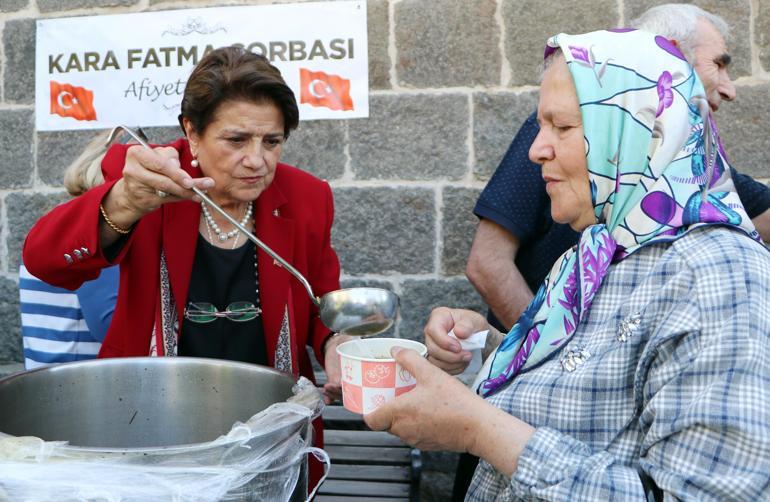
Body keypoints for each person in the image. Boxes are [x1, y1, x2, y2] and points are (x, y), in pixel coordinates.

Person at [365, 28, 770, 501]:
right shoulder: (598, 247)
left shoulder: (717, 278)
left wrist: (478, 430)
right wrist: (483, 346)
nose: (537, 149)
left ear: (638, 132)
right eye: (542, 126)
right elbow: (587, 384)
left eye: (563, 127)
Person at [23, 46, 352, 483]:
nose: (257, 160)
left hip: (269, 436)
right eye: (236, 140)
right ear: (192, 133)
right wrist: (123, 203)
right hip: (148, 424)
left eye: (271, 141)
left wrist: (336, 344)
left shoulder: (307, 198)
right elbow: (46, 262)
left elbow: (322, 301)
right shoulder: (153, 179)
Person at [467, 4, 770, 335]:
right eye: (718, 65)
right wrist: (535, 352)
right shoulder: (578, 261)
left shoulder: (697, 187)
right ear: (672, 53)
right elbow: (487, 263)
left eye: (563, 127)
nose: (729, 89)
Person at [19, 129, 129, 369]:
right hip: (79, 384)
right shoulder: (95, 231)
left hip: (47, 376)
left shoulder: (57, 224)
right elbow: (107, 324)